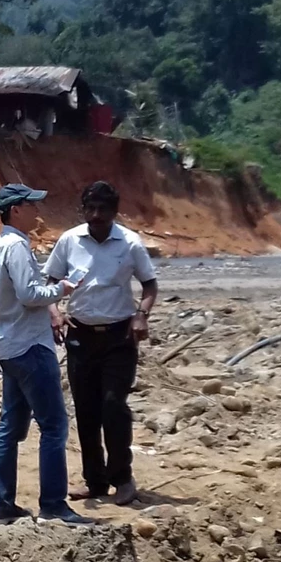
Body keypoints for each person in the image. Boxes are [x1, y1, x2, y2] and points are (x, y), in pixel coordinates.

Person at [44, 181, 159, 507]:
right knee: (87, 411)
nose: (96, 215)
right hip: (80, 336)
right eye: (90, 209)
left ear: (114, 211)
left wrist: (142, 316)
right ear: (84, 210)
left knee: (113, 406)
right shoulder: (69, 240)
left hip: (119, 337)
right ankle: (95, 481)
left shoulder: (130, 243)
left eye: (103, 210)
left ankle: (122, 477)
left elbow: (150, 285)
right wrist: (54, 312)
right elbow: (50, 280)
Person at [0, 183, 88, 525]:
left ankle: (0, 504)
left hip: (10, 345)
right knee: (54, 425)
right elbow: (30, 294)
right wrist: (62, 289)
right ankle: (53, 505)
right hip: (30, 345)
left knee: (10, 426)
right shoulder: (16, 245)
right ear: (16, 210)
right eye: (31, 206)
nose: (37, 212)